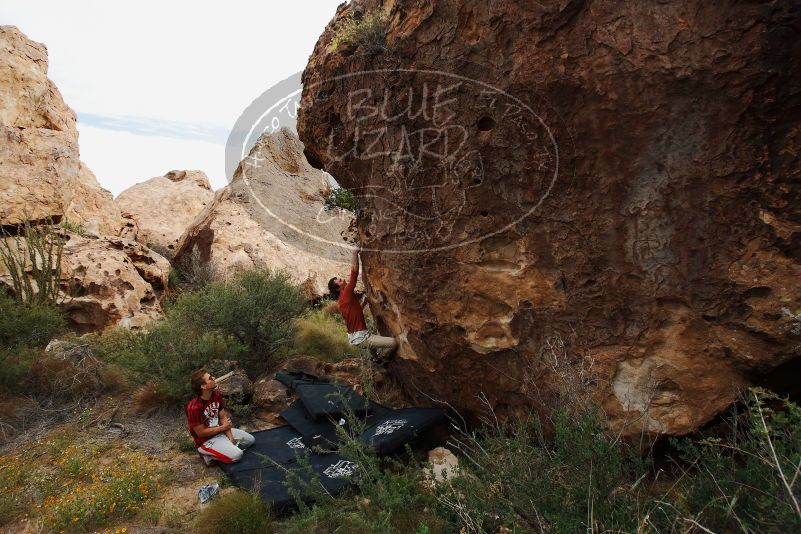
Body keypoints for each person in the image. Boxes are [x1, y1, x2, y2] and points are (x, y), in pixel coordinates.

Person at [328, 246, 398, 358]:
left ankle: (374, 358)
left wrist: (364, 303)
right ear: (338, 289)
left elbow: (354, 314)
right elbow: (354, 274)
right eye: (340, 281)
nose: (342, 279)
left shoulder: (341, 302)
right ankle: (381, 360)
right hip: (362, 338)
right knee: (394, 343)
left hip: (356, 337)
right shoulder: (346, 293)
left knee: (371, 344)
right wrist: (354, 253)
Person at [186, 368, 255, 465]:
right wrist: (223, 428)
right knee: (237, 455)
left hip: (221, 432)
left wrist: (231, 438)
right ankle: (207, 456)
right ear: (203, 386)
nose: (214, 378)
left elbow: (223, 417)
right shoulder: (194, 407)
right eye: (210, 378)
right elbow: (201, 433)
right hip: (207, 441)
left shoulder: (216, 395)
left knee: (250, 440)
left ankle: (226, 445)